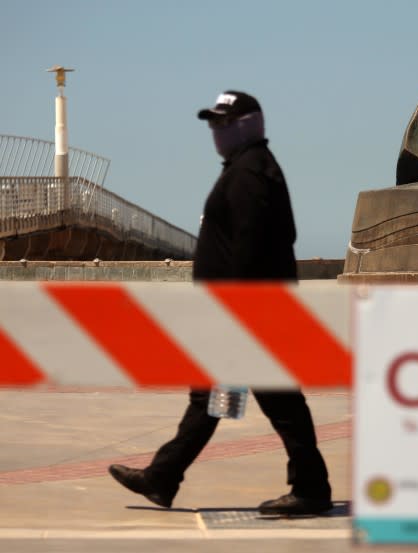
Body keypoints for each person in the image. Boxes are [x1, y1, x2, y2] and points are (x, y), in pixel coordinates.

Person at [108, 90, 333, 516]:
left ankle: (311, 488)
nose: (216, 131)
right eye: (212, 123)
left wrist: (236, 313)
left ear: (247, 124)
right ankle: (163, 477)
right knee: (215, 399)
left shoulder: (250, 174)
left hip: (249, 313)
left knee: (276, 401)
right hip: (247, 311)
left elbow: (251, 250)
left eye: (223, 122)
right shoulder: (246, 169)